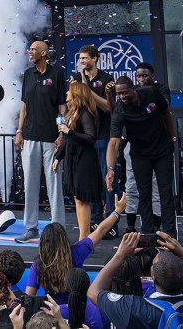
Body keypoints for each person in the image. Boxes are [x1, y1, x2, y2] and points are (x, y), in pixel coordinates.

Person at [90, 231, 183, 329]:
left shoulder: (138, 309)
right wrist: (182, 253)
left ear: (153, 277)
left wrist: (120, 255)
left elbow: (93, 291)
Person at [105, 76, 176, 236]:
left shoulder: (151, 93)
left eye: (125, 93)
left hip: (162, 150)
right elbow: (113, 143)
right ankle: (147, 234)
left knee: (165, 192)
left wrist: (173, 138)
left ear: (133, 89)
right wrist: (110, 169)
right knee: (144, 193)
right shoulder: (120, 111)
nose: (122, 97)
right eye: (119, 94)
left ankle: (171, 236)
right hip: (140, 154)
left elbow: (165, 113)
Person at [15, 40, 67, 243]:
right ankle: (31, 228)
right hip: (29, 137)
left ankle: (58, 230)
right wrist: (19, 131)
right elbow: (24, 106)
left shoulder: (57, 74)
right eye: (30, 49)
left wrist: (62, 133)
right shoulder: (28, 75)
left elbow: (62, 106)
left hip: (51, 139)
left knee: (54, 185)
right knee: (30, 184)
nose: (30, 52)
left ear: (44, 53)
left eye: (34, 50)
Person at [54, 81, 109, 237]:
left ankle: (84, 237)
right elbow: (67, 139)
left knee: (82, 199)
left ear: (76, 94)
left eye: (69, 92)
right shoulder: (72, 113)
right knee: (78, 199)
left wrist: (68, 132)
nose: (66, 95)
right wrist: (58, 157)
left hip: (84, 160)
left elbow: (91, 137)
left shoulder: (86, 113)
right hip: (74, 159)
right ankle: (83, 236)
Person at [74, 44, 117, 237]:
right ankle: (95, 220)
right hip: (85, 138)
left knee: (106, 180)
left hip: (103, 136)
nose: (82, 62)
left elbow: (108, 107)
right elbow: (74, 104)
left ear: (94, 58)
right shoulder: (76, 79)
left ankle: (110, 222)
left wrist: (87, 89)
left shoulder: (106, 79)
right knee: (90, 181)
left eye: (85, 58)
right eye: (80, 59)